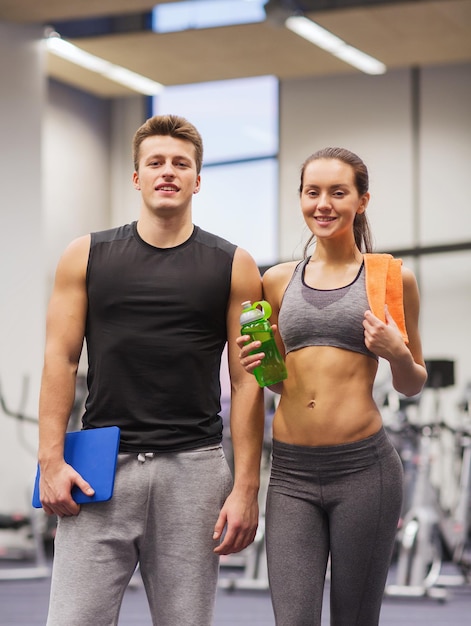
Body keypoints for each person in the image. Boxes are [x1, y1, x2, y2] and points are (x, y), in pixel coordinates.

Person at [37, 114, 265, 626]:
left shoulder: (235, 265)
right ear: (136, 177)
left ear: (197, 180)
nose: (168, 171)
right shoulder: (85, 255)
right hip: (99, 471)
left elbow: (250, 377)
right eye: (155, 162)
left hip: (195, 470)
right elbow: (60, 359)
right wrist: (50, 460)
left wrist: (246, 486)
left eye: (181, 163)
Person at [237, 147, 428, 626]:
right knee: (293, 619)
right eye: (312, 192)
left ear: (361, 201)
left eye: (338, 193)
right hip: (292, 474)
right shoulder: (277, 281)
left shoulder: (390, 277)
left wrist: (396, 352)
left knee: (354, 619)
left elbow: (412, 383)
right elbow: (282, 384)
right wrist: (264, 366)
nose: (323, 204)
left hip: (364, 471)